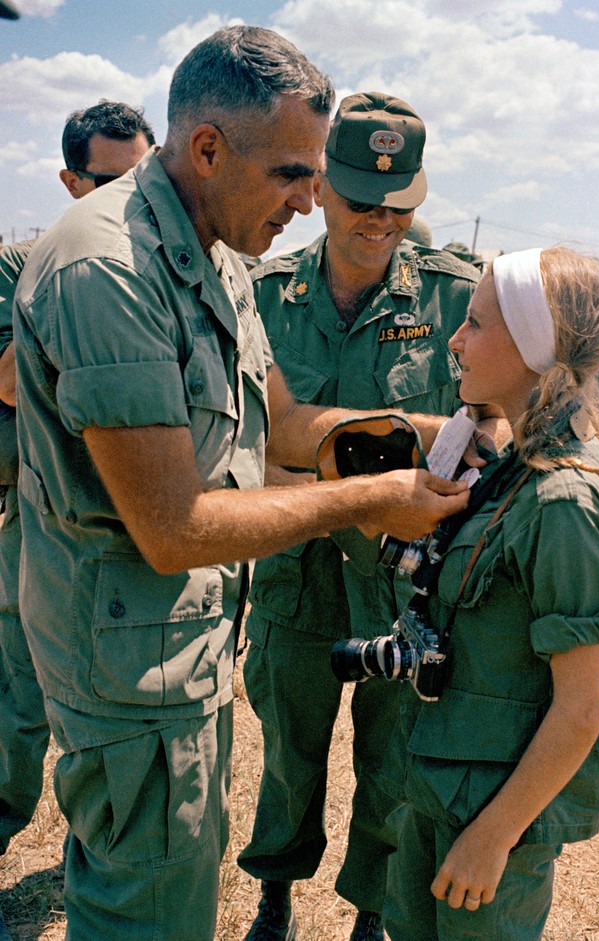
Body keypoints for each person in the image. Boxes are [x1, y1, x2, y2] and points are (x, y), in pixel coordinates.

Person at [12, 28, 470, 941]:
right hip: (127, 661)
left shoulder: (212, 251)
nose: (312, 203)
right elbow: (174, 525)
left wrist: (430, 433)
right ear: (210, 149)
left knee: (168, 887)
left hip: (174, 647)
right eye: (294, 174)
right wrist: (371, 499)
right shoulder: (113, 268)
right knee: (147, 912)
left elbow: (281, 428)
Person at [237, 91, 481, 941]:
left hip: (403, 585)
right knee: (287, 758)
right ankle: (274, 892)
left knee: (392, 759)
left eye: (398, 203)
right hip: (292, 573)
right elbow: (246, 446)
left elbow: (492, 428)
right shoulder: (264, 296)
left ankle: (371, 912)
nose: (378, 219)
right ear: (320, 187)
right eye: (358, 198)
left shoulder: (454, 298)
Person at [381, 247, 599, 941]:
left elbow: (580, 707)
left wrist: (492, 838)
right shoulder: (512, 470)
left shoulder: (562, 501)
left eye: (473, 323)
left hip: (488, 814)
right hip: (442, 789)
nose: (455, 339)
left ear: (534, 348)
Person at [0, 100, 154, 941]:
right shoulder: (27, 266)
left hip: (122, 534)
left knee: (110, 718)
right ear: (70, 182)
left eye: (145, 175)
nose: (135, 198)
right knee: (21, 709)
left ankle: (89, 853)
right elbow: (15, 381)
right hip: (31, 523)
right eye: (112, 181)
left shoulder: (154, 270)